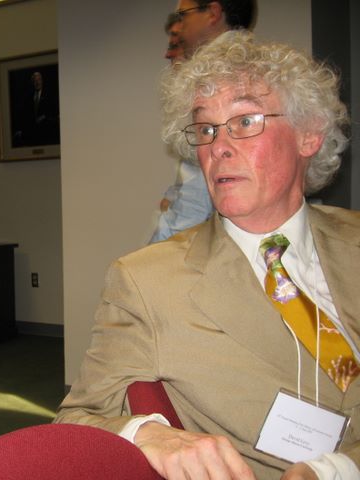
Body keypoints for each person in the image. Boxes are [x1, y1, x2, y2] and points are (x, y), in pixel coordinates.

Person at [56, 31, 359, 480]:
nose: (218, 146)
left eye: (245, 121)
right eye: (205, 129)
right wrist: (146, 433)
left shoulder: (354, 241)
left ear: (309, 134)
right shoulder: (147, 282)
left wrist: (339, 467)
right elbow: (74, 422)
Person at [149, 0, 256, 243]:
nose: (180, 25)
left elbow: (193, 206)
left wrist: (153, 257)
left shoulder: (215, 79)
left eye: (184, 15)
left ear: (213, 13)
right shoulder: (253, 67)